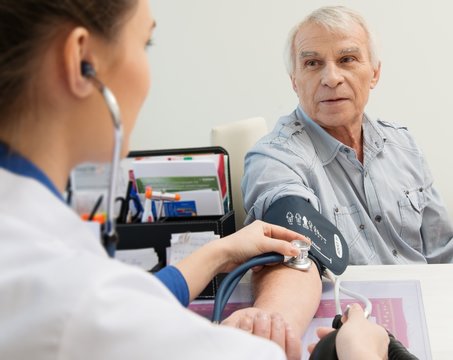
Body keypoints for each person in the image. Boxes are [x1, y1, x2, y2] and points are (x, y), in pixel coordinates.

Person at [0, 1, 306, 359]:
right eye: (146, 44)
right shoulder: (75, 298)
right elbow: (103, 312)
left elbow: (123, 304)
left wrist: (221, 252)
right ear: (82, 62)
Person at [232, 4, 453, 357]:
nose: (331, 77)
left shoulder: (404, 145)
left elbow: (443, 254)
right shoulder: (274, 157)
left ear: (375, 72)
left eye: (347, 59)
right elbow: (290, 250)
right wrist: (273, 325)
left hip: (432, 319)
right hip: (350, 332)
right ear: (294, 80)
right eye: (312, 63)